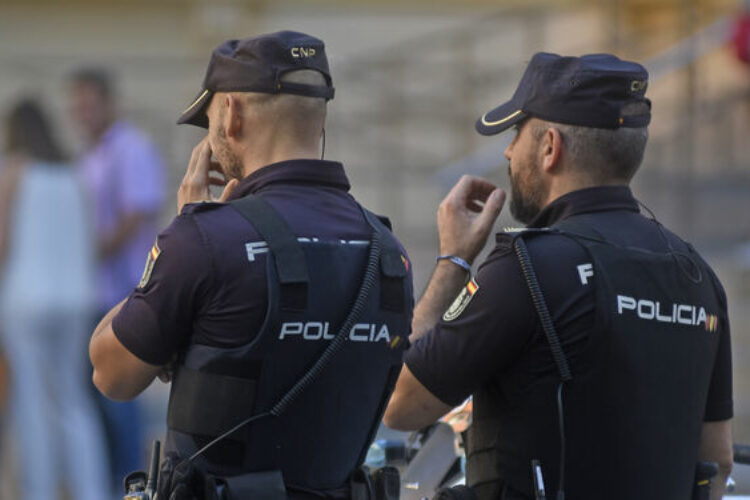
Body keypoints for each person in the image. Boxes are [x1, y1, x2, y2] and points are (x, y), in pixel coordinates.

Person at [383, 53, 733, 500]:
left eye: (515, 135)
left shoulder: (527, 268)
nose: (508, 151)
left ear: (550, 146)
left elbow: (401, 403)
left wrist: (455, 260)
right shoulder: (696, 274)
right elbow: (716, 462)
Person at [89, 31, 413, 500]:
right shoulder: (388, 252)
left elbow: (110, 373)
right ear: (319, 121)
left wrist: (184, 231)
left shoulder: (204, 239)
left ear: (231, 113)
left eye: (210, 118)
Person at [0, 99, 110, 500]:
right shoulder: (73, 171)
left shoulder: (13, 170)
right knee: (74, 399)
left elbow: (2, 242)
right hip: (75, 298)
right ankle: (92, 490)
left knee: (31, 403)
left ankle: (40, 491)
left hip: (26, 302)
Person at [68, 67, 166, 487]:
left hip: (123, 292)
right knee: (94, 397)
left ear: (109, 103)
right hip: (90, 293)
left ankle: (130, 484)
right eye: (77, 106)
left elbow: (136, 213)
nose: (82, 113)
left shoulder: (131, 147)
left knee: (119, 399)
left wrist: (88, 252)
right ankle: (110, 482)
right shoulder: (88, 155)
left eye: (90, 104)